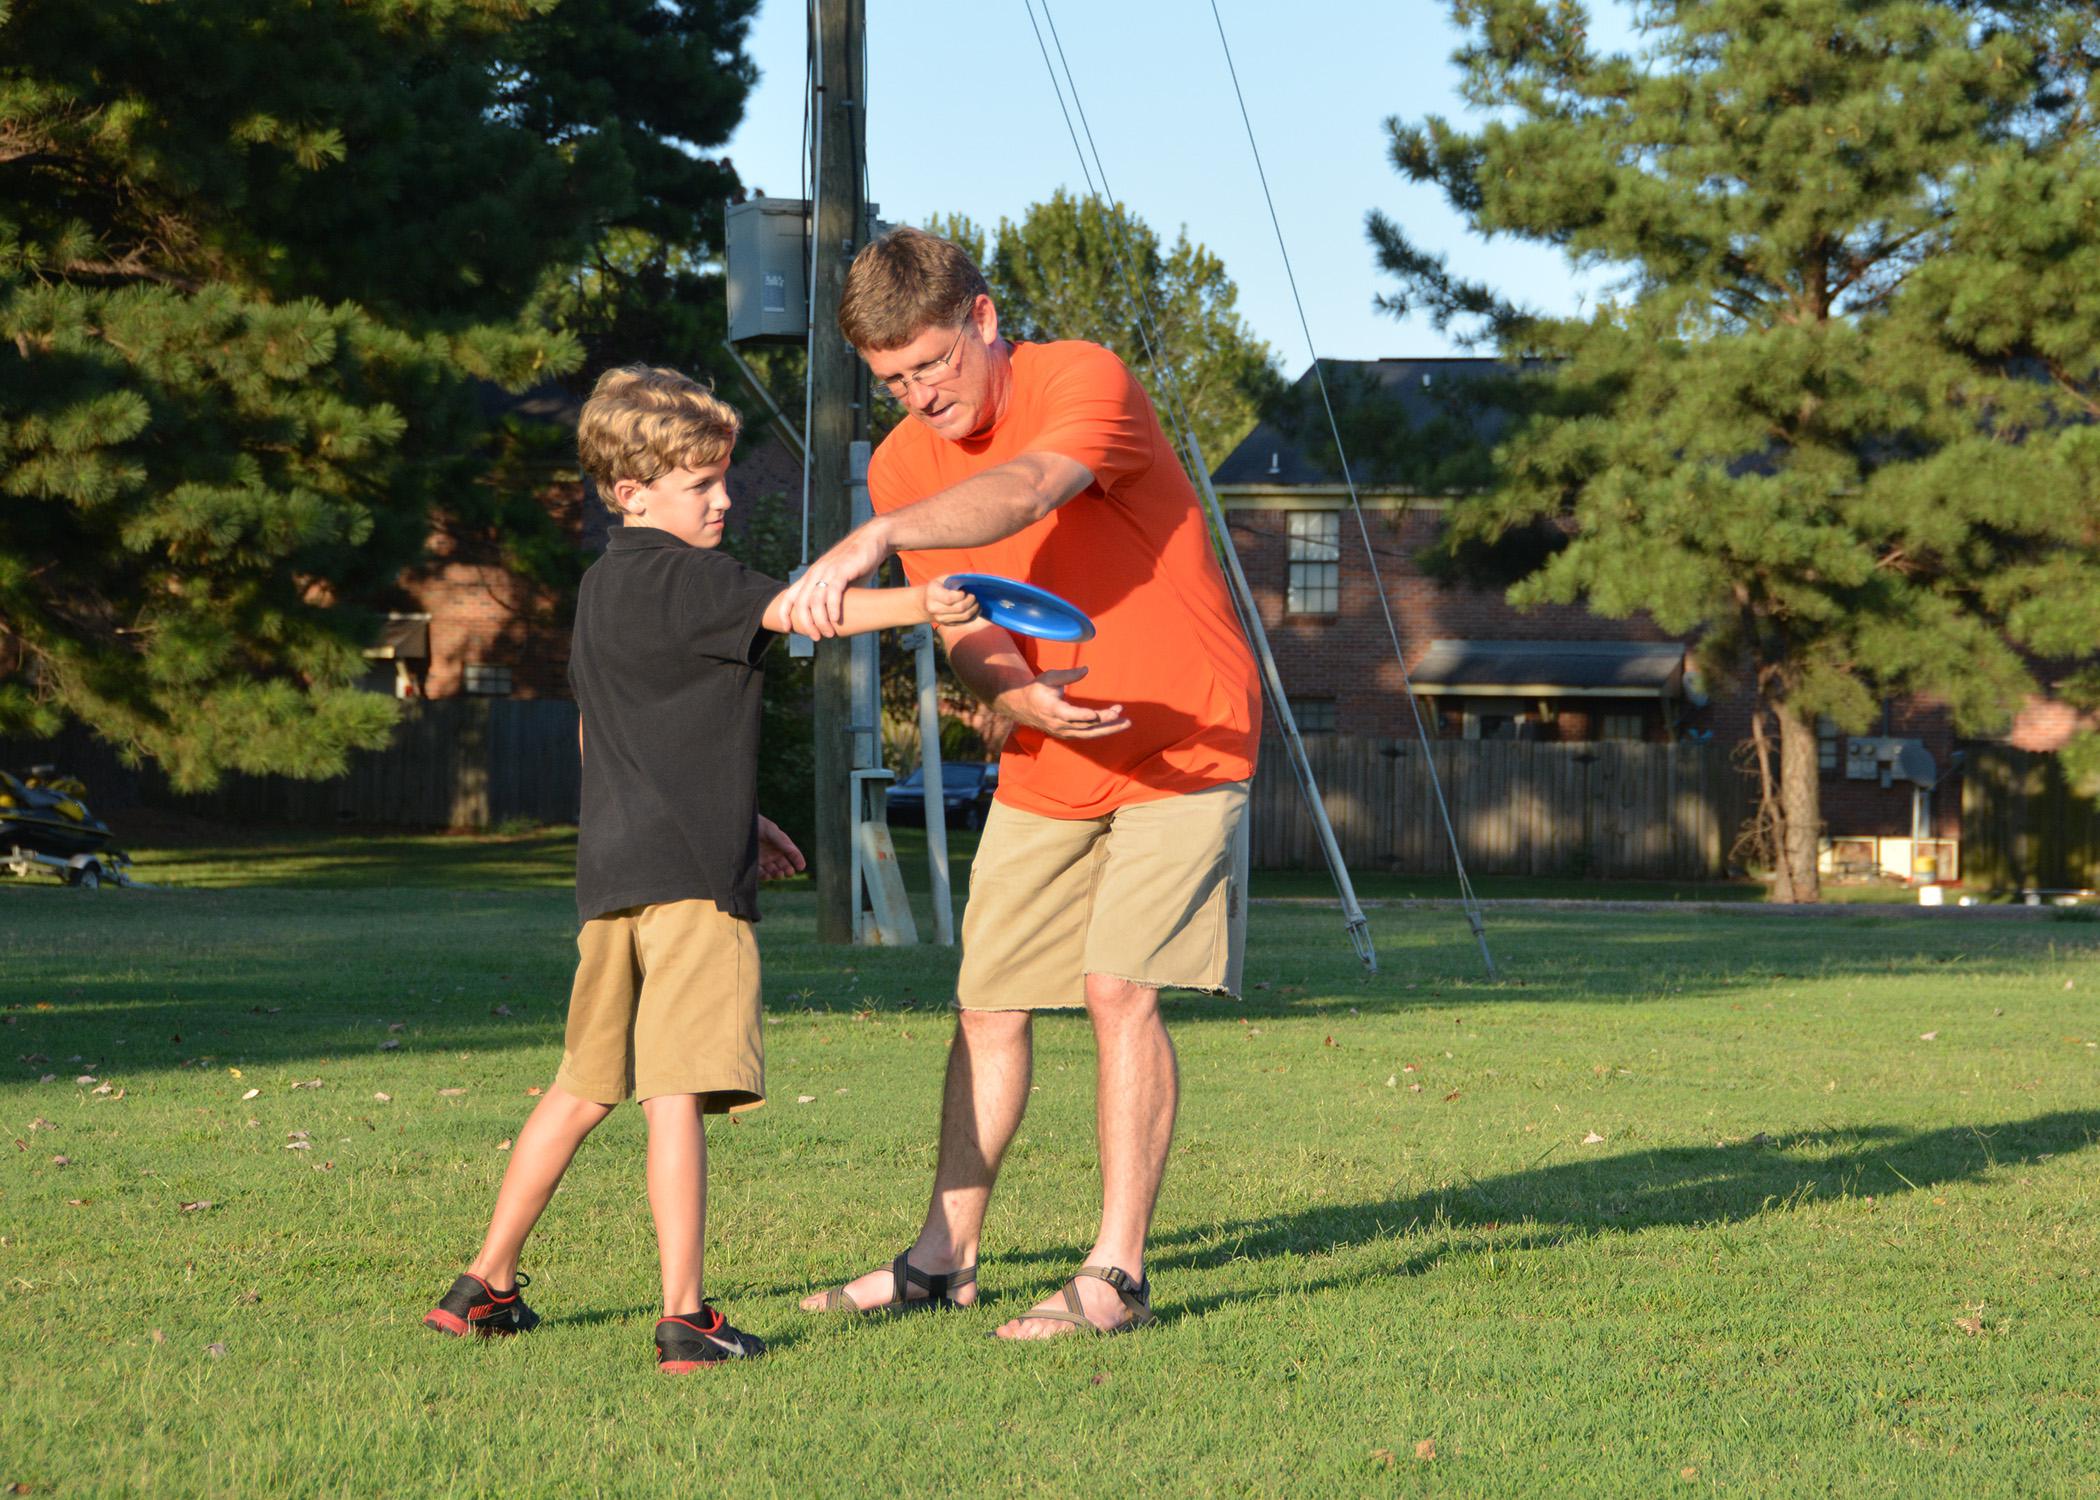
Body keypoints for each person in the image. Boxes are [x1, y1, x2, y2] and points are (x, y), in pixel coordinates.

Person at [421, 364, 978, 1370]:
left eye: (724, 480)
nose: (723, 500)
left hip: (613, 880)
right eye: (700, 484)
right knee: (675, 1092)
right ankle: (687, 1317)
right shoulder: (698, 580)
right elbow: (818, 612)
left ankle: (482, 1286)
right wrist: (929, 602)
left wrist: (744, 810)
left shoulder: (601, 589)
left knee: (582, 1089)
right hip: (689, 890)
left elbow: (614, 736)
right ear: (631, 491)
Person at [786, 228, 1261, 1339]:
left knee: (1117, 989)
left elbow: (1032, 486)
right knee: (988, 1000)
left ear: (985, 321)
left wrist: (877, 536)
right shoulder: (904, 458)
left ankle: (1117, 1273)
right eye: (893, 381)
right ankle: (943, 1260)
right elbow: (964, 620)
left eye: (933, 366)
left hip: (1182, 735)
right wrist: (1018, 697)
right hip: (1048, 751)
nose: (920, 396)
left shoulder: (1082, 378)